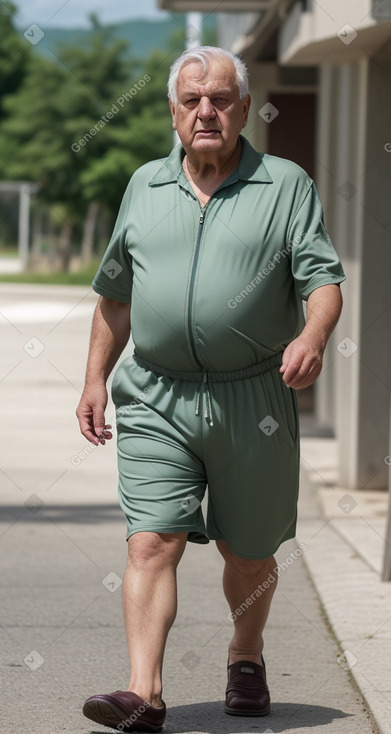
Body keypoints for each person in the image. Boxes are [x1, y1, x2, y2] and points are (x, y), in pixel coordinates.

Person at [76, 45, 346, 732]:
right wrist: (94, 381)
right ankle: (144, 692)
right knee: (150, 541)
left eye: (220, 99)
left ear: (243, 109)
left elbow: (321, 280)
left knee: (250, 550)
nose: (206, 111)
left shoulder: (284, 184)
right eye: (192, 100)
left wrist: (311, 337)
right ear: (172, 112)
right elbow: (115, 295)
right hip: (157, 395)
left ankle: (246, 656)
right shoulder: (143, 186)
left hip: (251, 397)